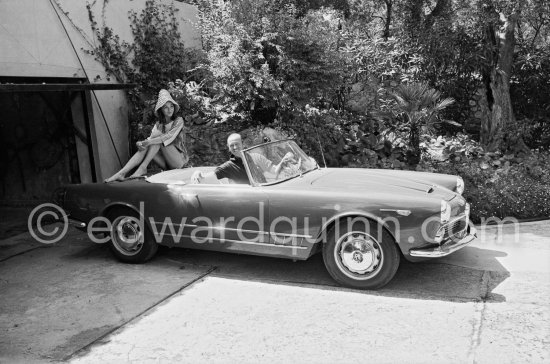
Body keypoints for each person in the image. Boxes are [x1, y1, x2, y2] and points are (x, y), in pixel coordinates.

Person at [104, 89, 189, 182]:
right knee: (150, 142)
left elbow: (168, 137)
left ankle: (142, 168)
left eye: (171, 106)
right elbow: (150, 139)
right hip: (166, 164)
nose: (169, 110)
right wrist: (140, 143)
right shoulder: (159, 125)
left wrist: (148, 142)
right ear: (161, 110)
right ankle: (121, 173)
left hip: (179, 162)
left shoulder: (179, 120)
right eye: (166, 107)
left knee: (157, 139)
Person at [191, 133, 291, 184]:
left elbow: (274, 171)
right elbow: (206, 178)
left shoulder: (256, 157)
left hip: (264, 193)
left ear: (242, 144)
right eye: (232, 145)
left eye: (237, 144)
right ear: (228, 148)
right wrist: (198, 173)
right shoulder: (228, 166)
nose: (235, 147)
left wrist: (283, 161)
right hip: (246, 201)